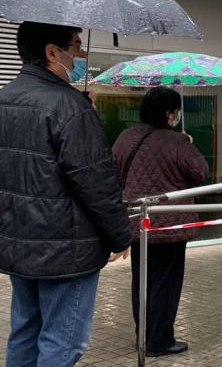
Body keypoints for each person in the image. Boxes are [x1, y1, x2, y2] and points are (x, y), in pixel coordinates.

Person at [0, 22, 132, 366]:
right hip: (66, 249)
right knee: (64, 341)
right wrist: (120, 235)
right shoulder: (69, 107)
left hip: (18, 240)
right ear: (51, 52)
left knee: (26, 331)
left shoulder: (4, 98)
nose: (83, 54)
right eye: (76, 45)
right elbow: (96, 182)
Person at [112, 87, 209, 358]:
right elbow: (199, 173)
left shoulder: (125, 137)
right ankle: (160, 340)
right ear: (169, 113)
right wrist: (187, 144)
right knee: (166, 284)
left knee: (141, 282)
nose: (177, 116)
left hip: (135, 223)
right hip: (169, 227)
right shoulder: (177, 142)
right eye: (176, 112)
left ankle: (142, 335)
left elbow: (115, 172)